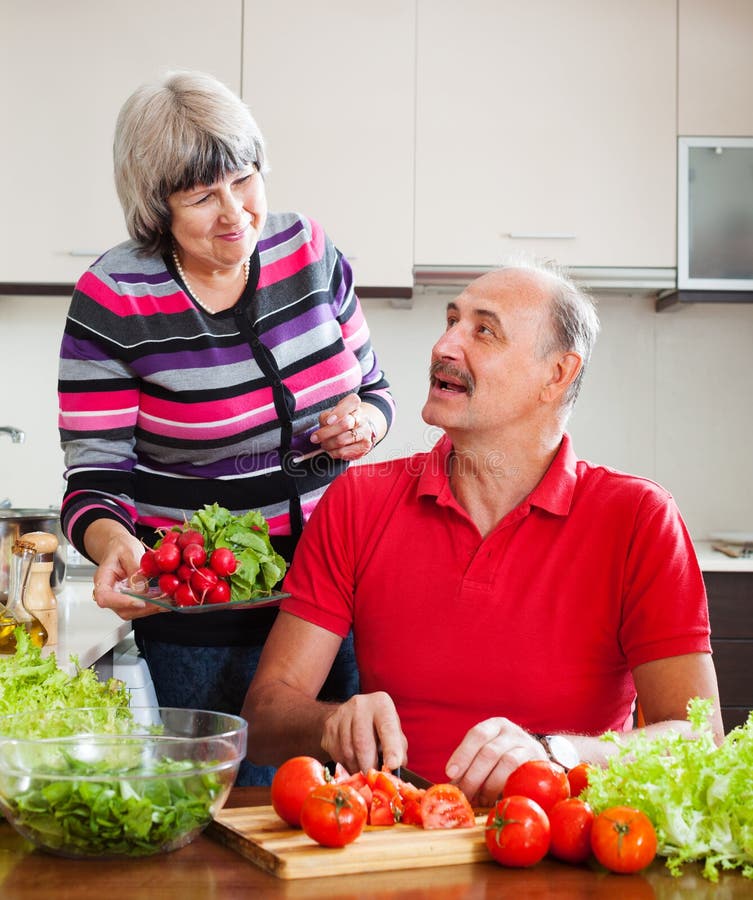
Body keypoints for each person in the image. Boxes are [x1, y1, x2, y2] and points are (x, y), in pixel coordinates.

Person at [243, 260, 723, 805]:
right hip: (400, 840)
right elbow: (262, 720)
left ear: (557, 375)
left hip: (566, 842)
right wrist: (330, 722)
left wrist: (558, 756)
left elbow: (698, 741)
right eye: (451, 320)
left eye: (483, 330)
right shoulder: (358, 501)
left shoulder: (639, 518)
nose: (445, 345)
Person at [57, 70, 394, 785]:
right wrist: (116, 542)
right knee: (241, 816)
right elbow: (94, 474)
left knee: (359, 798)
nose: (234, 213)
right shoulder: (115, 297)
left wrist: (362, 422)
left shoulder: (310, 252)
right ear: (156, 209)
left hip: (341, 595)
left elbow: (373, 390)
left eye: (243, 181)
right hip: (203, 618)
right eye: (201, 196)